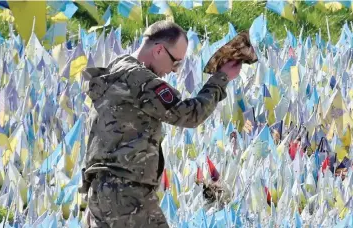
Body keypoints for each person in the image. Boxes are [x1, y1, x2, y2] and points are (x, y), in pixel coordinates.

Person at [80, 21, 242, 228]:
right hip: (126, 192)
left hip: (101, 190)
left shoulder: (117, 67)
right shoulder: (139, 78)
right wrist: (222, 78)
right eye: (175, 62)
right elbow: (189, 114)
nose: (174, 71)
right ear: (158, 50)